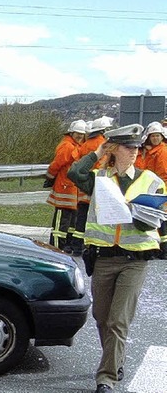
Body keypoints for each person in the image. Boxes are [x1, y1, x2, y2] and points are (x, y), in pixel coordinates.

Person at [67, 124, 166, 393]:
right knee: (101, 316)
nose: (134, 152)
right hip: (104, 258)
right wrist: (98, 149)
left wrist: (140, 215)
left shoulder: (150, 180)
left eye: (137, 147)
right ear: (114, 150)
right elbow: (74, 172)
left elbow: (157, 222)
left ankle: (106, 378)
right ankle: (116, 358)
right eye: (128, 147)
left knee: (118, 320)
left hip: (135, 259)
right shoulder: (99, 177)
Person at [73, 116, 115, 255]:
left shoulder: (84, 144)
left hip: (84, 185)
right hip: (97, 185)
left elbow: (79, 163)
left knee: (81, 217)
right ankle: (92, 246)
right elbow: (103, 165)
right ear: (104, 130)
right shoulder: (103, 144)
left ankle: (77, 246)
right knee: (95, 219)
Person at [44, 119, 86, 253]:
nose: (79, 136)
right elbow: (56, 164)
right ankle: (56, 247)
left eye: (81, 134)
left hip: (72, 187)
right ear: (71, 133)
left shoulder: (77, 145)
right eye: (77, 133)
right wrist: (50, 177)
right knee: (61, 222)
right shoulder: (67, 146)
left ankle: (66, 245)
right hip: (64, 187)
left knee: (70, 221)